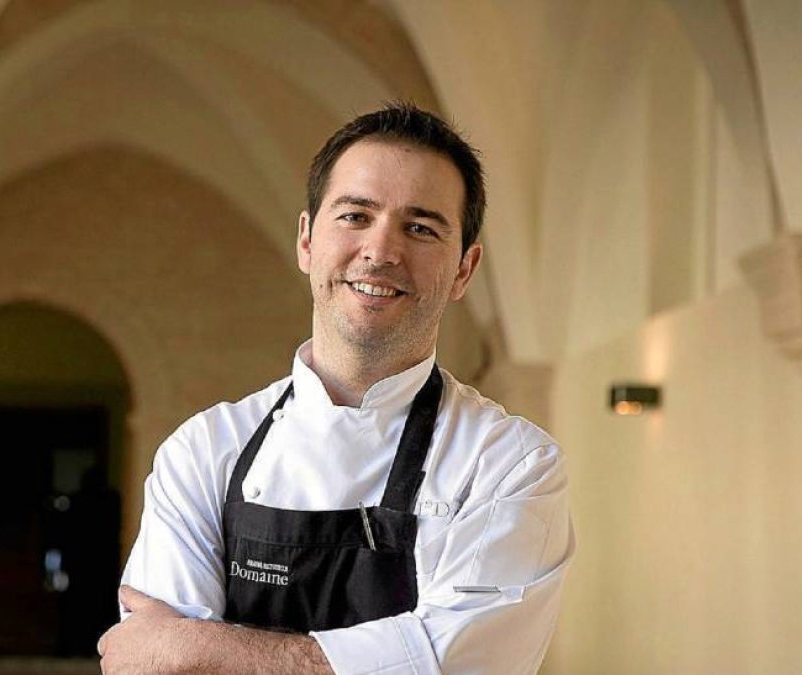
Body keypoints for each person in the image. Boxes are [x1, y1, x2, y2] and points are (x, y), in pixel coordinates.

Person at [97, 103, 574, 674]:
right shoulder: (201, 452)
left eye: (420, 228)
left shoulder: (510, 464)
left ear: (464, 270)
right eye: (355, 216)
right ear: (306, 240)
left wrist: (200, 647)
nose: (381, 251)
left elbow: (461, 669)